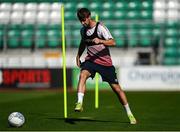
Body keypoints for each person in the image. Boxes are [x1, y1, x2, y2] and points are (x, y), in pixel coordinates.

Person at [74, 8, 137, 124]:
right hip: (91, 61)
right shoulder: (83, 30)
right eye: (80, 21)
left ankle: (129, 113)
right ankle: (79, 102)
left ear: (89, 17)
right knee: (82, 75)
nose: (82, 23)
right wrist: (78, 55)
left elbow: (113, 42)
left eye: (84, 20)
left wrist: (101, 41)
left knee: (117, 89)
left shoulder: (100, 28)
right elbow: (83, 42)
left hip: (105, 64)